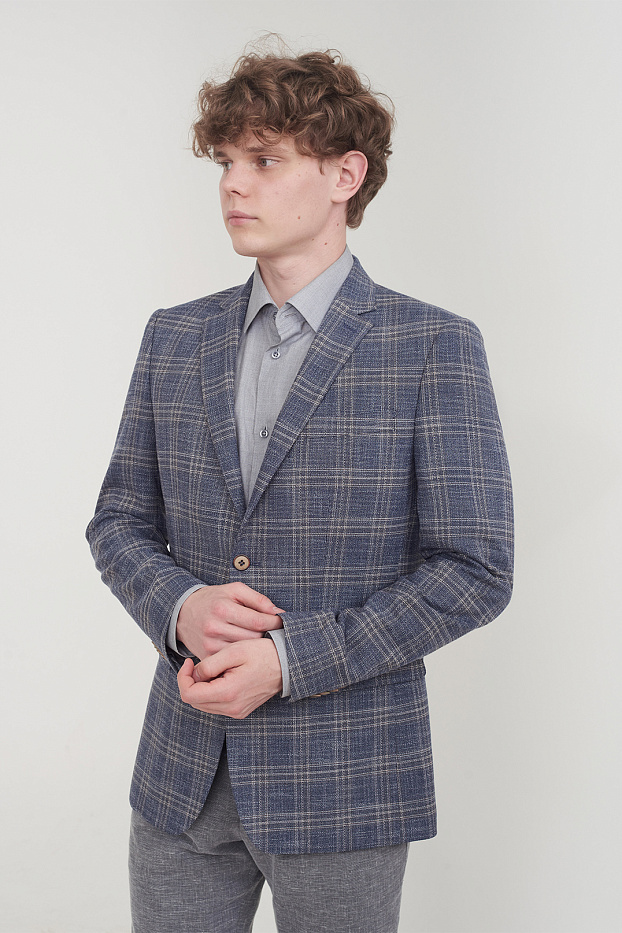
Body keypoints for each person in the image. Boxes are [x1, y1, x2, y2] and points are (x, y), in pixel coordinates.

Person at [86, 46, 513, 933]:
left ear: (344, 176)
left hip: (344, 781)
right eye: (226, 162)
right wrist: (180, 605)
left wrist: (290, 660)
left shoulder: (432, 346)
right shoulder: (175, 337)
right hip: (181, 777)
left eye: (265, 160)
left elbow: (474, 569)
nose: (234, 185)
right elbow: (119, 519)